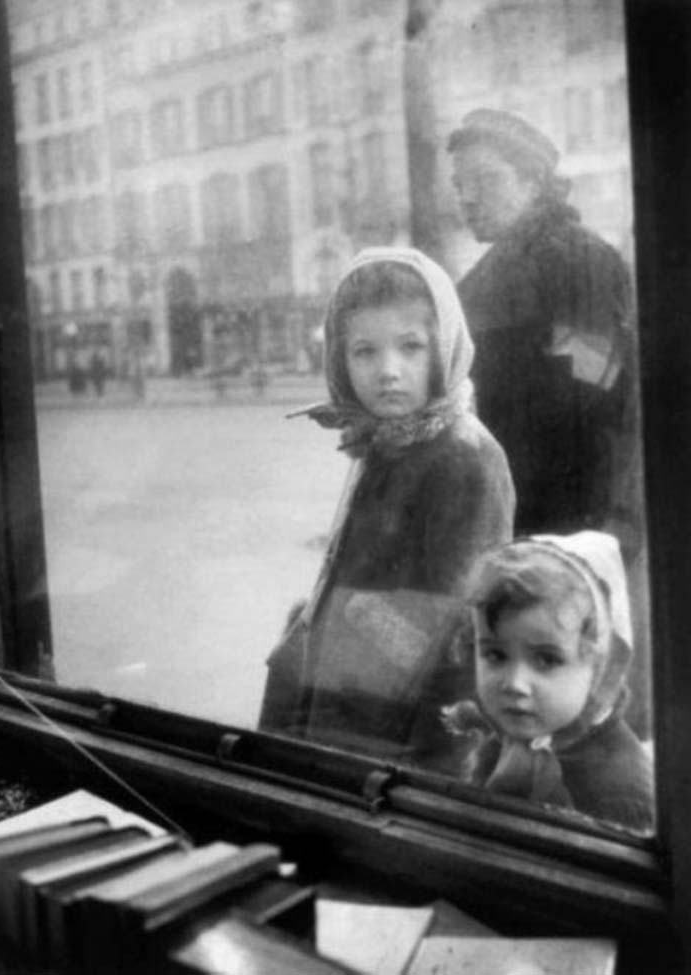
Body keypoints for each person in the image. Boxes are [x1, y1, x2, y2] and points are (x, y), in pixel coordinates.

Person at [258, 246, 515, 759]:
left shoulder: (465, 458)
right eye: (365, 351)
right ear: (339, 358)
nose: (388, 370)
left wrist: (433, 776)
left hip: (396, 737)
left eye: (411, 347)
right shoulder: (390, 440)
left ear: (444, 347)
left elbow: (457, 633)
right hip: (349, 706)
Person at [446, 109, 636, 539]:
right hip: (509, 507)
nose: (468, 198)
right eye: (460, 185)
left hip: (567, 517)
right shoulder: (487, 275)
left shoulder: (578, 259)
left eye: (486, 180)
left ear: (532, 183)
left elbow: (603, 385)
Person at [439, 531, 654, 832]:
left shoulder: (622, 795)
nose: (515, 684)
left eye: (547, 660)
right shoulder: (535, 721)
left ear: (601, 668)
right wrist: (471, 716)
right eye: (496, 654)